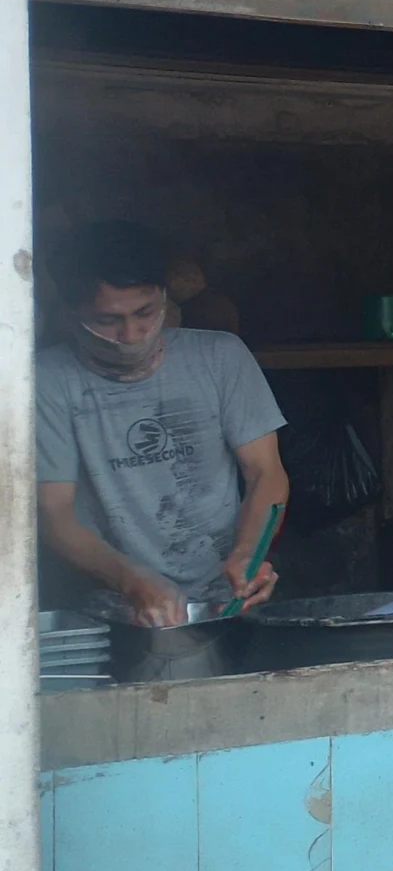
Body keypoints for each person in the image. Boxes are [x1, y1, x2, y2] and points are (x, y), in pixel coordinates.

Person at [37, 220, 288, 626]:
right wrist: (129, 579)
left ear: (165, 297)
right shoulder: (45, 381)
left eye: (144, 312)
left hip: (226, 601)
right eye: (106, 320)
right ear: (70, 314)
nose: (131, 333)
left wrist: (248, 553)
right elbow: (54, 514)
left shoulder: (221, 358)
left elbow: (266, 473)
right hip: (110, 609)